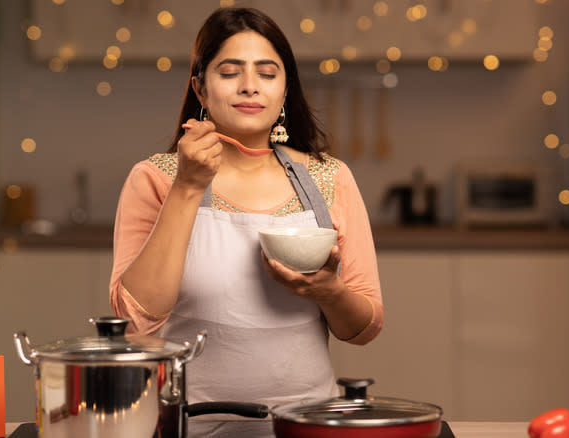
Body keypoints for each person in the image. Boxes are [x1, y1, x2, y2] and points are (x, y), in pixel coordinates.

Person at [109, 7, 383, 437]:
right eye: (230, 71)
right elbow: (137, 319)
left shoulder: (331, 177)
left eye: (267, 73)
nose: (250, 86)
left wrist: (330, 292)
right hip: (188, 424)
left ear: (285, 89)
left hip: (308, 426)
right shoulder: (156, 178)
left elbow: (364, 327)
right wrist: (187, 185)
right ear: (200, 89)